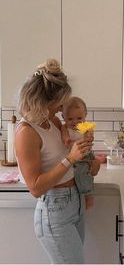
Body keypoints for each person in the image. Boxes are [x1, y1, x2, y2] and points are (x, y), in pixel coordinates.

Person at [15, 58, 99, 264]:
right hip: (55, 209)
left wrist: (89, 159)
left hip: (75, 201)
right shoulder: (26, 132)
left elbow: (69, 153)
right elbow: (35, 187)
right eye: (59, 101)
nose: (63, 107)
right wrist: (70, 159)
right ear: (44, 101)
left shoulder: (52, 121)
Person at [61, 96, 99, 210]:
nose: (75, 122)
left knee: (87, 175)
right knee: (78, 175)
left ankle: (88, 194)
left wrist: (89, 136)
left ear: (85, 115)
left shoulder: (86, 127)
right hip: (74, 157)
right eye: (70, 119)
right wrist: (67, 139)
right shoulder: (64, 128)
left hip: (86, 155)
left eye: (79, 118)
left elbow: (90, 138)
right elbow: (65, 138)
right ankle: (81, 196)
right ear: (63, 117)